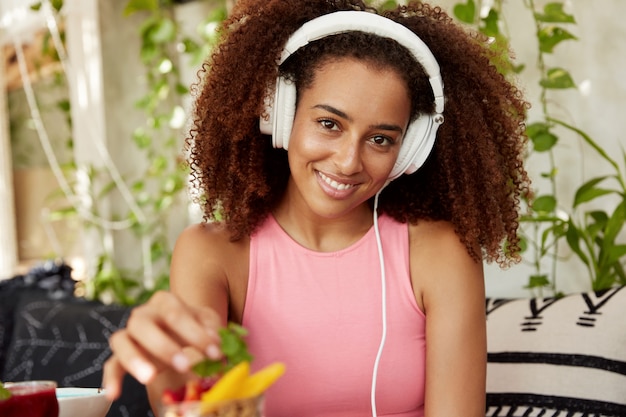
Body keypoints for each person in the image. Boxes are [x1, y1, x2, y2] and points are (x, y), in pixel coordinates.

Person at [103, 0, 530, 416]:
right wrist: (166, 371)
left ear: (410, 152)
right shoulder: (213, 254)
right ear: (280, 115)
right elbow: (195, 400)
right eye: (329, 124)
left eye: (380, 139)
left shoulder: (440, 254)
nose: (348, 162)